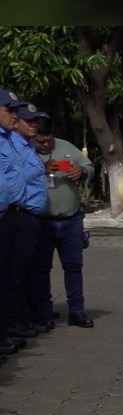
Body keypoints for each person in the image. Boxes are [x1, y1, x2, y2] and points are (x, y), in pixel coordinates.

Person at [31, 116, 96, 329]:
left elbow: (90, 166)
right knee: (41, 269)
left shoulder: (67, 147)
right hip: (42, 222)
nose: (45, 145)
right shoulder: (26, 152)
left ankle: (76, 310)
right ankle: (44, 311)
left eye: (49, 141)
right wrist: (40, 168)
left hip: (71, 220)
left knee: (74, 267)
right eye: (41, 142)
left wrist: (82, 171)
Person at [4, 101, 48, 340]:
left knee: (27, 272)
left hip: (30, 217)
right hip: (17, 213)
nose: (34, 125)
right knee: (15, 274)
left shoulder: (28, 145)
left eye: (36, 121)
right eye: (28, 120)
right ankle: (14, 322)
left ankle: (25, 317)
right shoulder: (11, 143)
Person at [0, 88, 28, 357]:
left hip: (9, 216)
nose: (15, 115)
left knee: (8, 279)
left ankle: (6, 331)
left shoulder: (8, 139)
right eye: (9, 110)